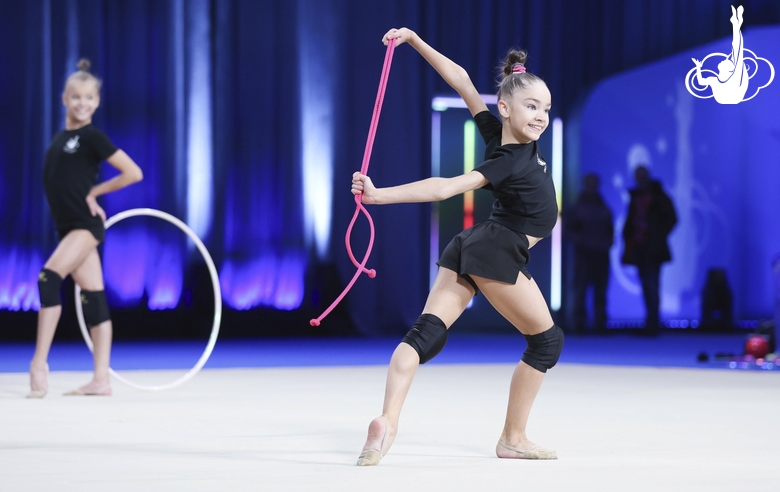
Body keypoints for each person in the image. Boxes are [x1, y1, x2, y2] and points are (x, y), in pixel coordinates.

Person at [351, 27, 562, 466]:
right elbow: (446, 187)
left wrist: (414, 41)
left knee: (426, 332)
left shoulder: (501, 136)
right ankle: (513, 438)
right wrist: (379, 195)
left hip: (472, 244)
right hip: (498, 250)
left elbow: (463, 81)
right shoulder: (506, 159)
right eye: (531, 106)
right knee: (546, 343)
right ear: (505, 108)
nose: (541, 115)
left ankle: (387, 422)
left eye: (544, 107)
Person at [27, 59, 143, 398]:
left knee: (48, 279)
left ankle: (38, 364)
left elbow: (133, 172)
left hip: (84, 224)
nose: (82, 103)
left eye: (89, 98)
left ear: (97, 102)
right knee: (94, 300)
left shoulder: (92, 137)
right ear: (64, 99)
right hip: (67, 228)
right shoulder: (61, 138)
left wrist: (95, 191)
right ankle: (101, 380)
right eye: (76, 97)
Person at [621, 165, 676, 335]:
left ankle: (653, 323)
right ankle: (650, 322)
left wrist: (658, 236)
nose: (641, 180)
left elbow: (672, 218)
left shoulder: (658, 196)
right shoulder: (636, 196)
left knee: (652, 286)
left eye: (644, 176)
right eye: (639, 176)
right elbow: (631, 221)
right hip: (639, 247)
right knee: (646, 286)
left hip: (653, 249)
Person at [563, 173, 613, 334]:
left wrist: (606, 243)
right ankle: (579, 323)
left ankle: (600, 323)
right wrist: (581, 240)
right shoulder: (577, 208)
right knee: (580, 290)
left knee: (601, 291)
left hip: (601, 255)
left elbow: (610, 231)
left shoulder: (604, 207)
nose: (592, 187)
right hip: (583, 254)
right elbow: (568, 230)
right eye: (589, 183)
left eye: (595, 184)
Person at [691, 5, 748, 104]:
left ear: (729, 69)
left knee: (737, 52)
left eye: (727, 61)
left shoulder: (734, 77)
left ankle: (736, 24)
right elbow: (701, 82)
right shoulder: (714, 80)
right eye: (727, 60)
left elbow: (737, 49)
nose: (725, 59)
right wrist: (698, 67)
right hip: (727, 99)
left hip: (733, 97)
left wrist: (736, 26)